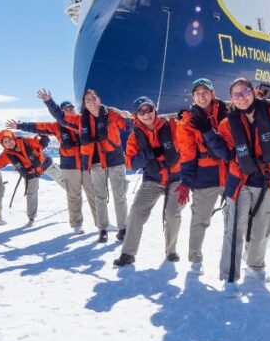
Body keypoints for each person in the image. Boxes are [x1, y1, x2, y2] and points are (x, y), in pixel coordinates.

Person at [205, 77, 270, 296]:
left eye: (244, 92)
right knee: (234, 227)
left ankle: (255, 265)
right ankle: (230, 277)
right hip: (240, 180)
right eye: (236, 95)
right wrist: (208, 135)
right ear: (231, 99)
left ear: (254, 92)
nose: (241, 98)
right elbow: (225, 152)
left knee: (262, 227)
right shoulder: (226, 124)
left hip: (269, 181)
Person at [43, 87, 130, 243]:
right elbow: (61, 117)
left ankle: (123, 229)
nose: (91, 101)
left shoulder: (111, 114)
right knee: (100, 198)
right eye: (87, 99)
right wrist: (49, 102)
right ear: (84, 103)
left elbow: (126, 126)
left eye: (93, 98)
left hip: (115, 161)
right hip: (96, 164)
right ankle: (102, 229)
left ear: (99, 100)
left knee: (119, 196)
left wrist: (126, 117)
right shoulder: (80, 119)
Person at [112, 96, 186, 267]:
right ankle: (128, 253)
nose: (146, 114)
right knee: (136, 211)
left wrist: (187, 116)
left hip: (176, 178)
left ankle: (171, 249)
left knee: (172, 214)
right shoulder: (134, 137)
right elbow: (130, 163)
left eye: (149, 110)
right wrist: (150, 154)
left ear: (155, 110)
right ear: (137, 115)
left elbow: (189, 132)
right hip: (152, 180)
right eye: (142, 111)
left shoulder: (172, 125)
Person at [9, 93, 98, 234]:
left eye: (71, 109)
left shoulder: (84, 121)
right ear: (60, 113)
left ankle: (101, 223)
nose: (69, 111)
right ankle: (77, 224)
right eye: (66, 110)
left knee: (94, 193)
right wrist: (19, 125)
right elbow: (37, 127)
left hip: (87, 164)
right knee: (73, 195)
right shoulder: (56, 126)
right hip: (69, 166)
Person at [176, 78, 228, 272]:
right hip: (203, 177)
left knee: (236, 219)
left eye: (205, 92)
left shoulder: (226, 112)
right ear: (193, 97)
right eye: (197, 93)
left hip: (228, 172)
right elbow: (187, 153)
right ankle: (195, 259)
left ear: (213, 93)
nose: (202, 96)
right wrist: (185, 181)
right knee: (200, 219)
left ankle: (242, 256)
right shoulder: (187, 122)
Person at [0, 129, 51, 226]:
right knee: (31, 193)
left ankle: (74, 193)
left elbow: (43, 143)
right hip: (31, 173)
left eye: (10, 140)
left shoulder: (27, 141)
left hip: (45, 164)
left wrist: (44, 135)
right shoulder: (6, 155)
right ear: (3, 144)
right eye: (6, 142)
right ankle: (32, 218)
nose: (9, 143)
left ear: (14, 138)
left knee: (63, 179)